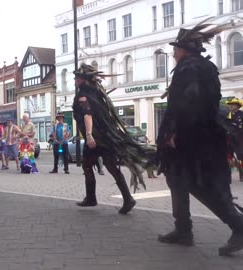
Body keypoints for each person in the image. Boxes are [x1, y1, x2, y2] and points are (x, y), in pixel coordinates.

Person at [156, 20, 243, 256]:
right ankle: (183, 229)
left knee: (200, 184)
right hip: (202, 137)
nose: (173, 53)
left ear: (183, 50)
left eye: (175, 50)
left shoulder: (189, 69)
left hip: (192, 140)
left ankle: (238, 225)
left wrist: (176, 134)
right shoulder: (204, 67)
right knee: (177, 179)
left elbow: (189, 104)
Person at [72, 63, 147, 214]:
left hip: (95, 138)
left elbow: (88, 115)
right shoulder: (97, 94)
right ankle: (127, 199)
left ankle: (92, 198)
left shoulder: (83, 96)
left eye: (77, 77)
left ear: (82, 79)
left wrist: (89, 136)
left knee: (87, 165)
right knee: (111, 166)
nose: (75, 80)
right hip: (105, 138)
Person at [226, 98, 243, 181]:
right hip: (228, 140)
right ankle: (227, 177)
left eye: (233, 104)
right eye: (229, 104)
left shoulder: (241, 114)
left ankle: (242, 174)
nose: (230, 106)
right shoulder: (227, 115)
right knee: (227, 158)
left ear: (237, 105)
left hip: (239, 140)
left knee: (241, 157)